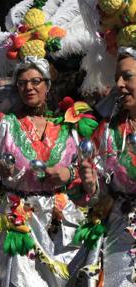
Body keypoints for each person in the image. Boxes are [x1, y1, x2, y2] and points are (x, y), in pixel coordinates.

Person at [0, 57, 89, 286]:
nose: (29, 87)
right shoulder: (8, 124)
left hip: (59, 220)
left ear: (47, 85)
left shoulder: (68, 125)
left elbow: (86, 167)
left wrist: (69, 173)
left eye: (35, 81)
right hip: (18, 217)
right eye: (22, 83)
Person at [76, 47, 136, 286]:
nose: (119, 84)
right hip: (119, 234)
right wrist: (92, 186)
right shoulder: (109, 130)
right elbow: (97, 188)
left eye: (128, 76)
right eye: (117, 79)